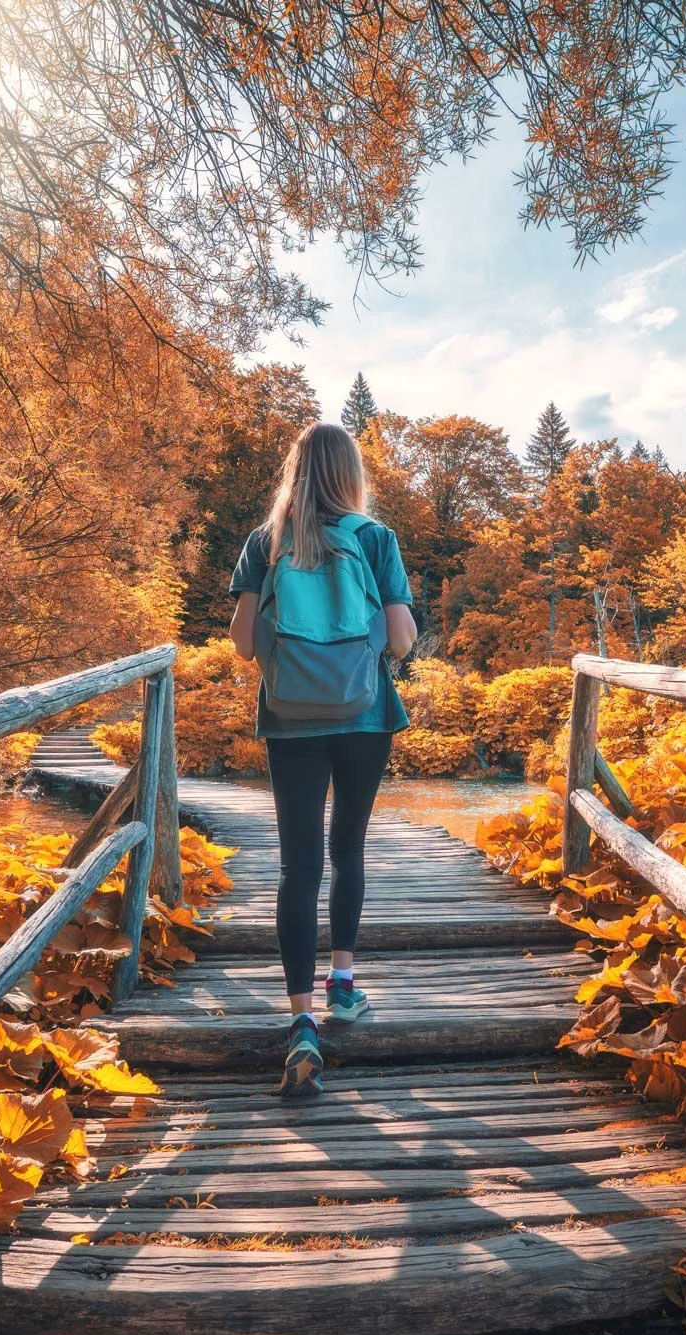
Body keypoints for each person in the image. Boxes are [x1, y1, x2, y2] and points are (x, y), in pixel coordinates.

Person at [228, 421, 418, 1096]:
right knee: (349, 851)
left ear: (295, 469)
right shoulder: (375, 539)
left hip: (289, 718)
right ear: (351, 474)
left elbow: (244, 646)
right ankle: (343, 985)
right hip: (365, 714)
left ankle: (301, 1022)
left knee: (298, 864)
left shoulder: (265, 542)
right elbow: (400, 640)